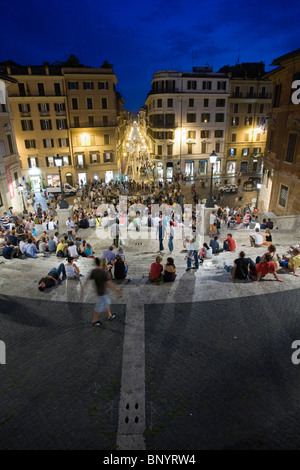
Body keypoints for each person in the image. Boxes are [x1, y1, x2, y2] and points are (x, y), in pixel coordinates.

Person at [81, 257, 122, 327]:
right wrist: (116, 291)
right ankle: (94, 321)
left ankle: (109, 315)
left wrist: (83, 290)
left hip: (100, 291)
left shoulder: (94, 271)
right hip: (102, 293)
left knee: (107, 303)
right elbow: (110, 284)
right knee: (99, 308)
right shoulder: (103, 273)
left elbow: (87, 281)